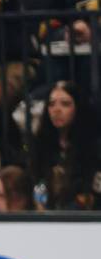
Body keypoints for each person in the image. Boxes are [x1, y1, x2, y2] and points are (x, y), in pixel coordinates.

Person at [28, 80, 100, 210]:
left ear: (77, 107)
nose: (57, 110)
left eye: (65, 104)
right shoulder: (41, 144)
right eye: (51, 104)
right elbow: (36, 181)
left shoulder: (93, 146)